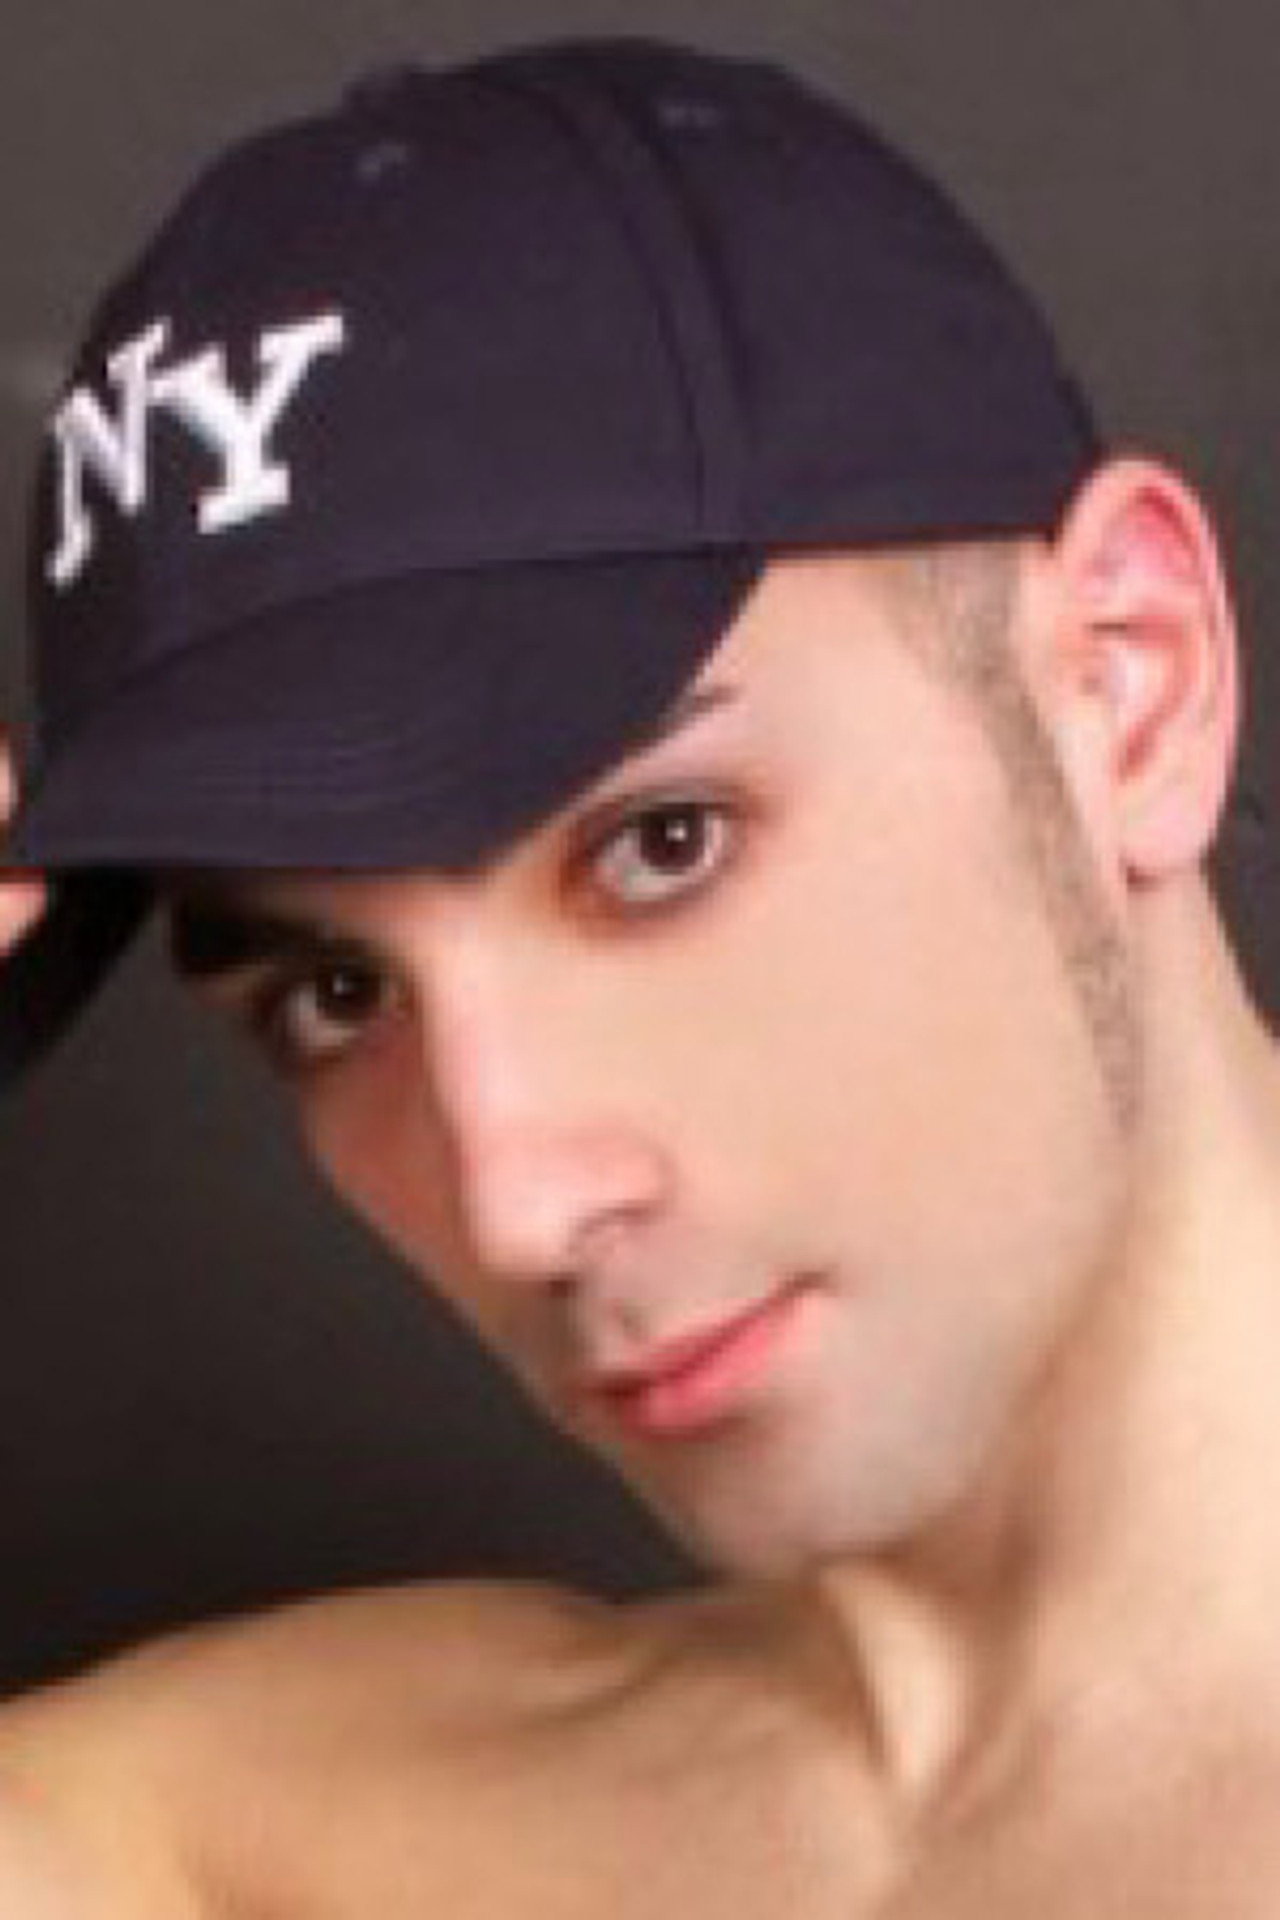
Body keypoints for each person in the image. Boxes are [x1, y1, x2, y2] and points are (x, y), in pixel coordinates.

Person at [1, 33, 1278, 1915]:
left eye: (662, 844)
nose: (512, 1199)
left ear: (1126, 685)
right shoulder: (299, 1834)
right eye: (333, 996)